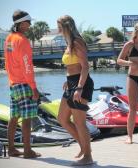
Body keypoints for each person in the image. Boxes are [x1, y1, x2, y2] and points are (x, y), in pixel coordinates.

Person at [57, 15, 94, 166]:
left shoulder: (77, 41)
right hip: (71, 82)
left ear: (66, 26)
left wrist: (79, 87)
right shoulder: (68, 43)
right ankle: (83, 147)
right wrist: (68, 80)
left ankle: (88, 156)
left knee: (79, 122)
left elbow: (85, 66)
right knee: (62, 119)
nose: (58, 28)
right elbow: (72, 66)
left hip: (81, 83)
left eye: (59, 25)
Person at [4, 10, 41, 158]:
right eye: (28, 22)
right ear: (20, 23)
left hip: (13, 84)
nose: (30, 25)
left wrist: (11, 81)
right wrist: (33, 87)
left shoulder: (8, 39)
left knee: (14, 117)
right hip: (24, 84)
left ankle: (12, 149)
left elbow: (7, 63)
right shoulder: (22, 40)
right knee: (27, 118)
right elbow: (27, 66)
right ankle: (27, 151)